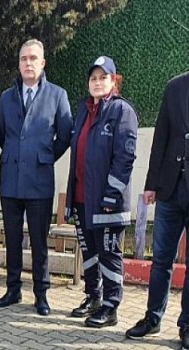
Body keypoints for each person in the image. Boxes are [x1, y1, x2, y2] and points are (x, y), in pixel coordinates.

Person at [0, 39, 73, 316]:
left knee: (40, 242)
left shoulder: (57, 95)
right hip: (11, 179)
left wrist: (45, 154)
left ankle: (41, 294)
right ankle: (13, 289)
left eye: (33, 58)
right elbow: (1, 135)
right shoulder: (6, 97)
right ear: (18, 64)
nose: (28, 63)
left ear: (43, 63)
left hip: (39, 180)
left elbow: (66, 134)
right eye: (24, 58)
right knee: (12, 239)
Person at [65, 56, 137, 328]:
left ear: (113, 81)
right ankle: (93, 297)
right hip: (83, 198)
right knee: (90, 252)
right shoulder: (83, 111)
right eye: (93, 78)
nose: (97, 82)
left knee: (109, 254)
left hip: (107, 202)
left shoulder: (121, 111)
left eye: (102, 78)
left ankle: (111, 306)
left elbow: (125, 159)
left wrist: (111, 195)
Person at [125, 71, 189, 349]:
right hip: (169, 189)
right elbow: (161, 137)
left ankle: (186, 324)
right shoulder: (175, 86)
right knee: (161, 259)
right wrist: (151, 183)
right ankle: (152, 318)